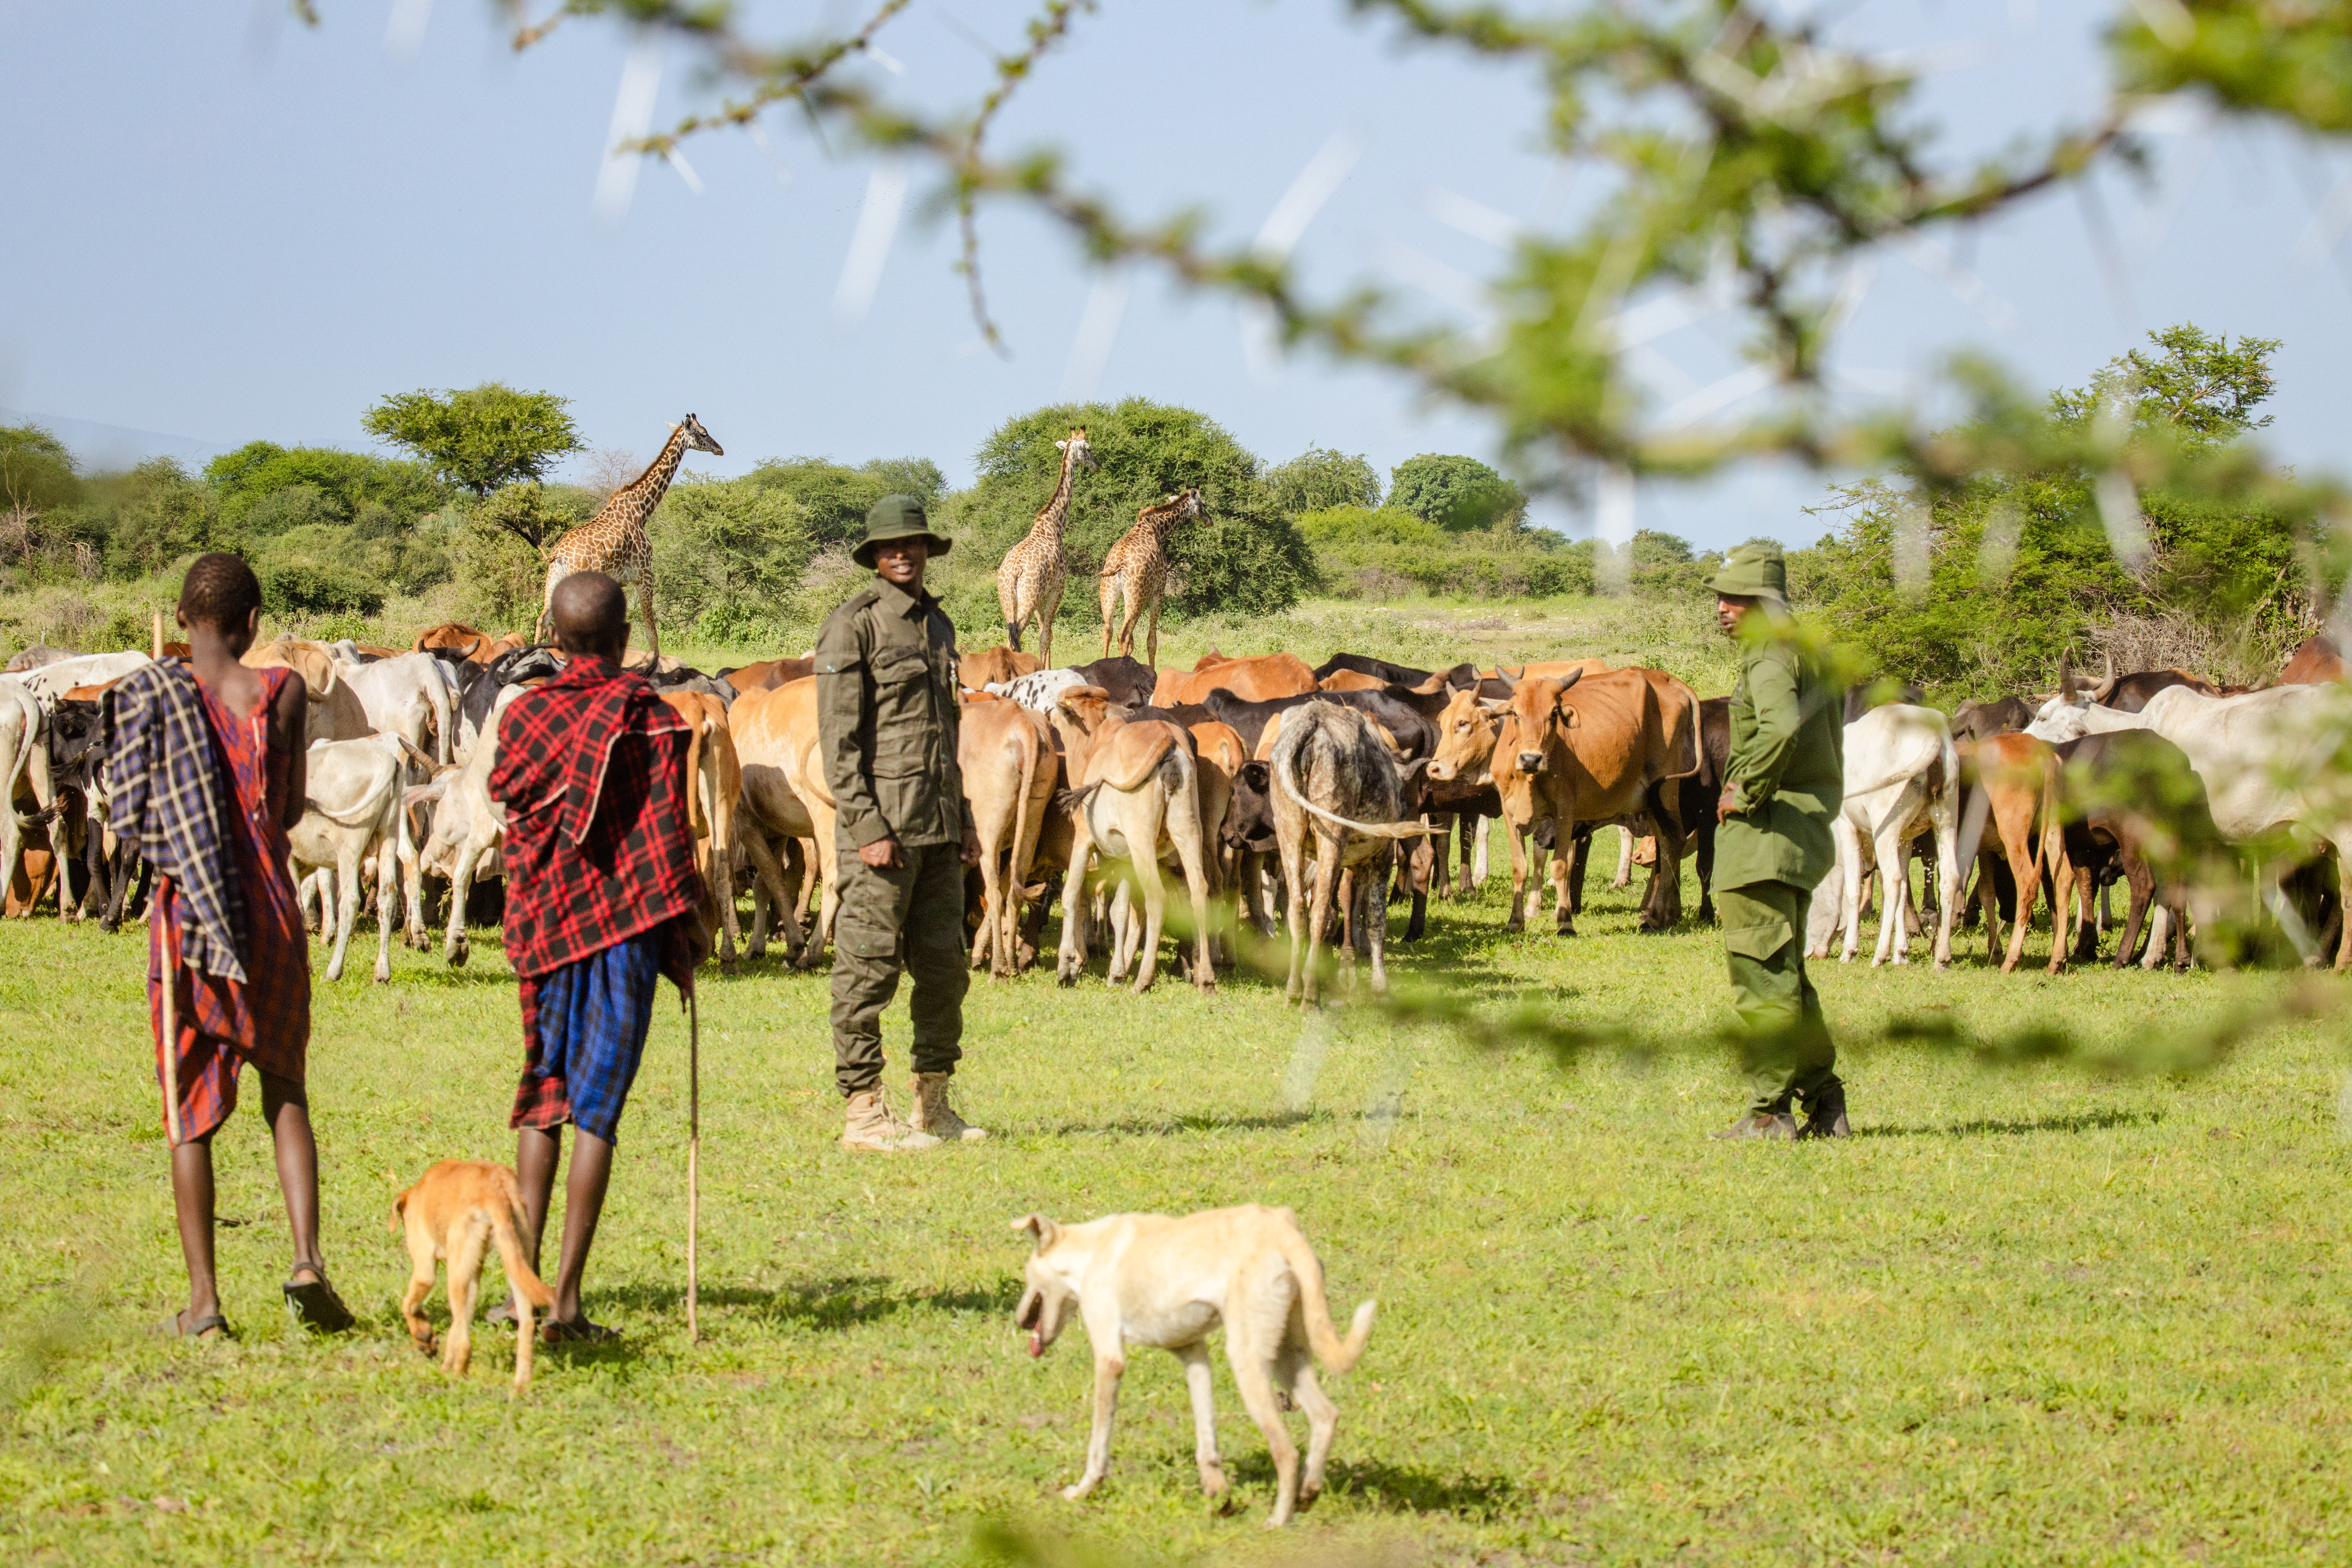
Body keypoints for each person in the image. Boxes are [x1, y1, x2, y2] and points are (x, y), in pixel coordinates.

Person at [105, 552, 354, 1337]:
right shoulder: (282, 691)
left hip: (189, 919)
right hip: (272, 909)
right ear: (253, 624)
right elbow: (287, 810)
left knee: (189, 1112)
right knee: (286, 1087)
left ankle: (205, 1304)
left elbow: (130, 813)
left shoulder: (152, 694)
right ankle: (307, 1261)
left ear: (182, 619)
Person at [490, 570, 706, 1340]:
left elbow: (508, 801)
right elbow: (667, 837)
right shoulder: (651, 718)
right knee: (597, 1114)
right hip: (625, 933)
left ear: (553, 639)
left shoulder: (524, 715)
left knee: (545, 1094)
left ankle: (522, 1291)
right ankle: (566, 1304)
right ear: (624, 641)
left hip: (547, 926)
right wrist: (688, 928)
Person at [816, 495, 985, 1152]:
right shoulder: (853, 626)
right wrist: (867, 829)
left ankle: (932, 1106)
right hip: (882, 833)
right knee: (867, 971)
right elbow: (839, 745)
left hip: (937, 828)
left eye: (912, 544)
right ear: (875, 557)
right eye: (891, 547)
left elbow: (947, 735)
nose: (903, 554)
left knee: (945, 971)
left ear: (926, 549)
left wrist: (964, 818)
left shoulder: (938, 626)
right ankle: (863, 1113)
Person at [1703, 541, 1849, 1140]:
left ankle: (1769, 1112)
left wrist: (1746, 790)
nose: (1722, 608)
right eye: (1720, 597)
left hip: (1764, 837)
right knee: (1787, 977)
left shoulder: (1769, 655)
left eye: (1735, 598)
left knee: (1762, 980)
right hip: (1801, 836)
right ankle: (1827, 1103)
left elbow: (1781, 727)